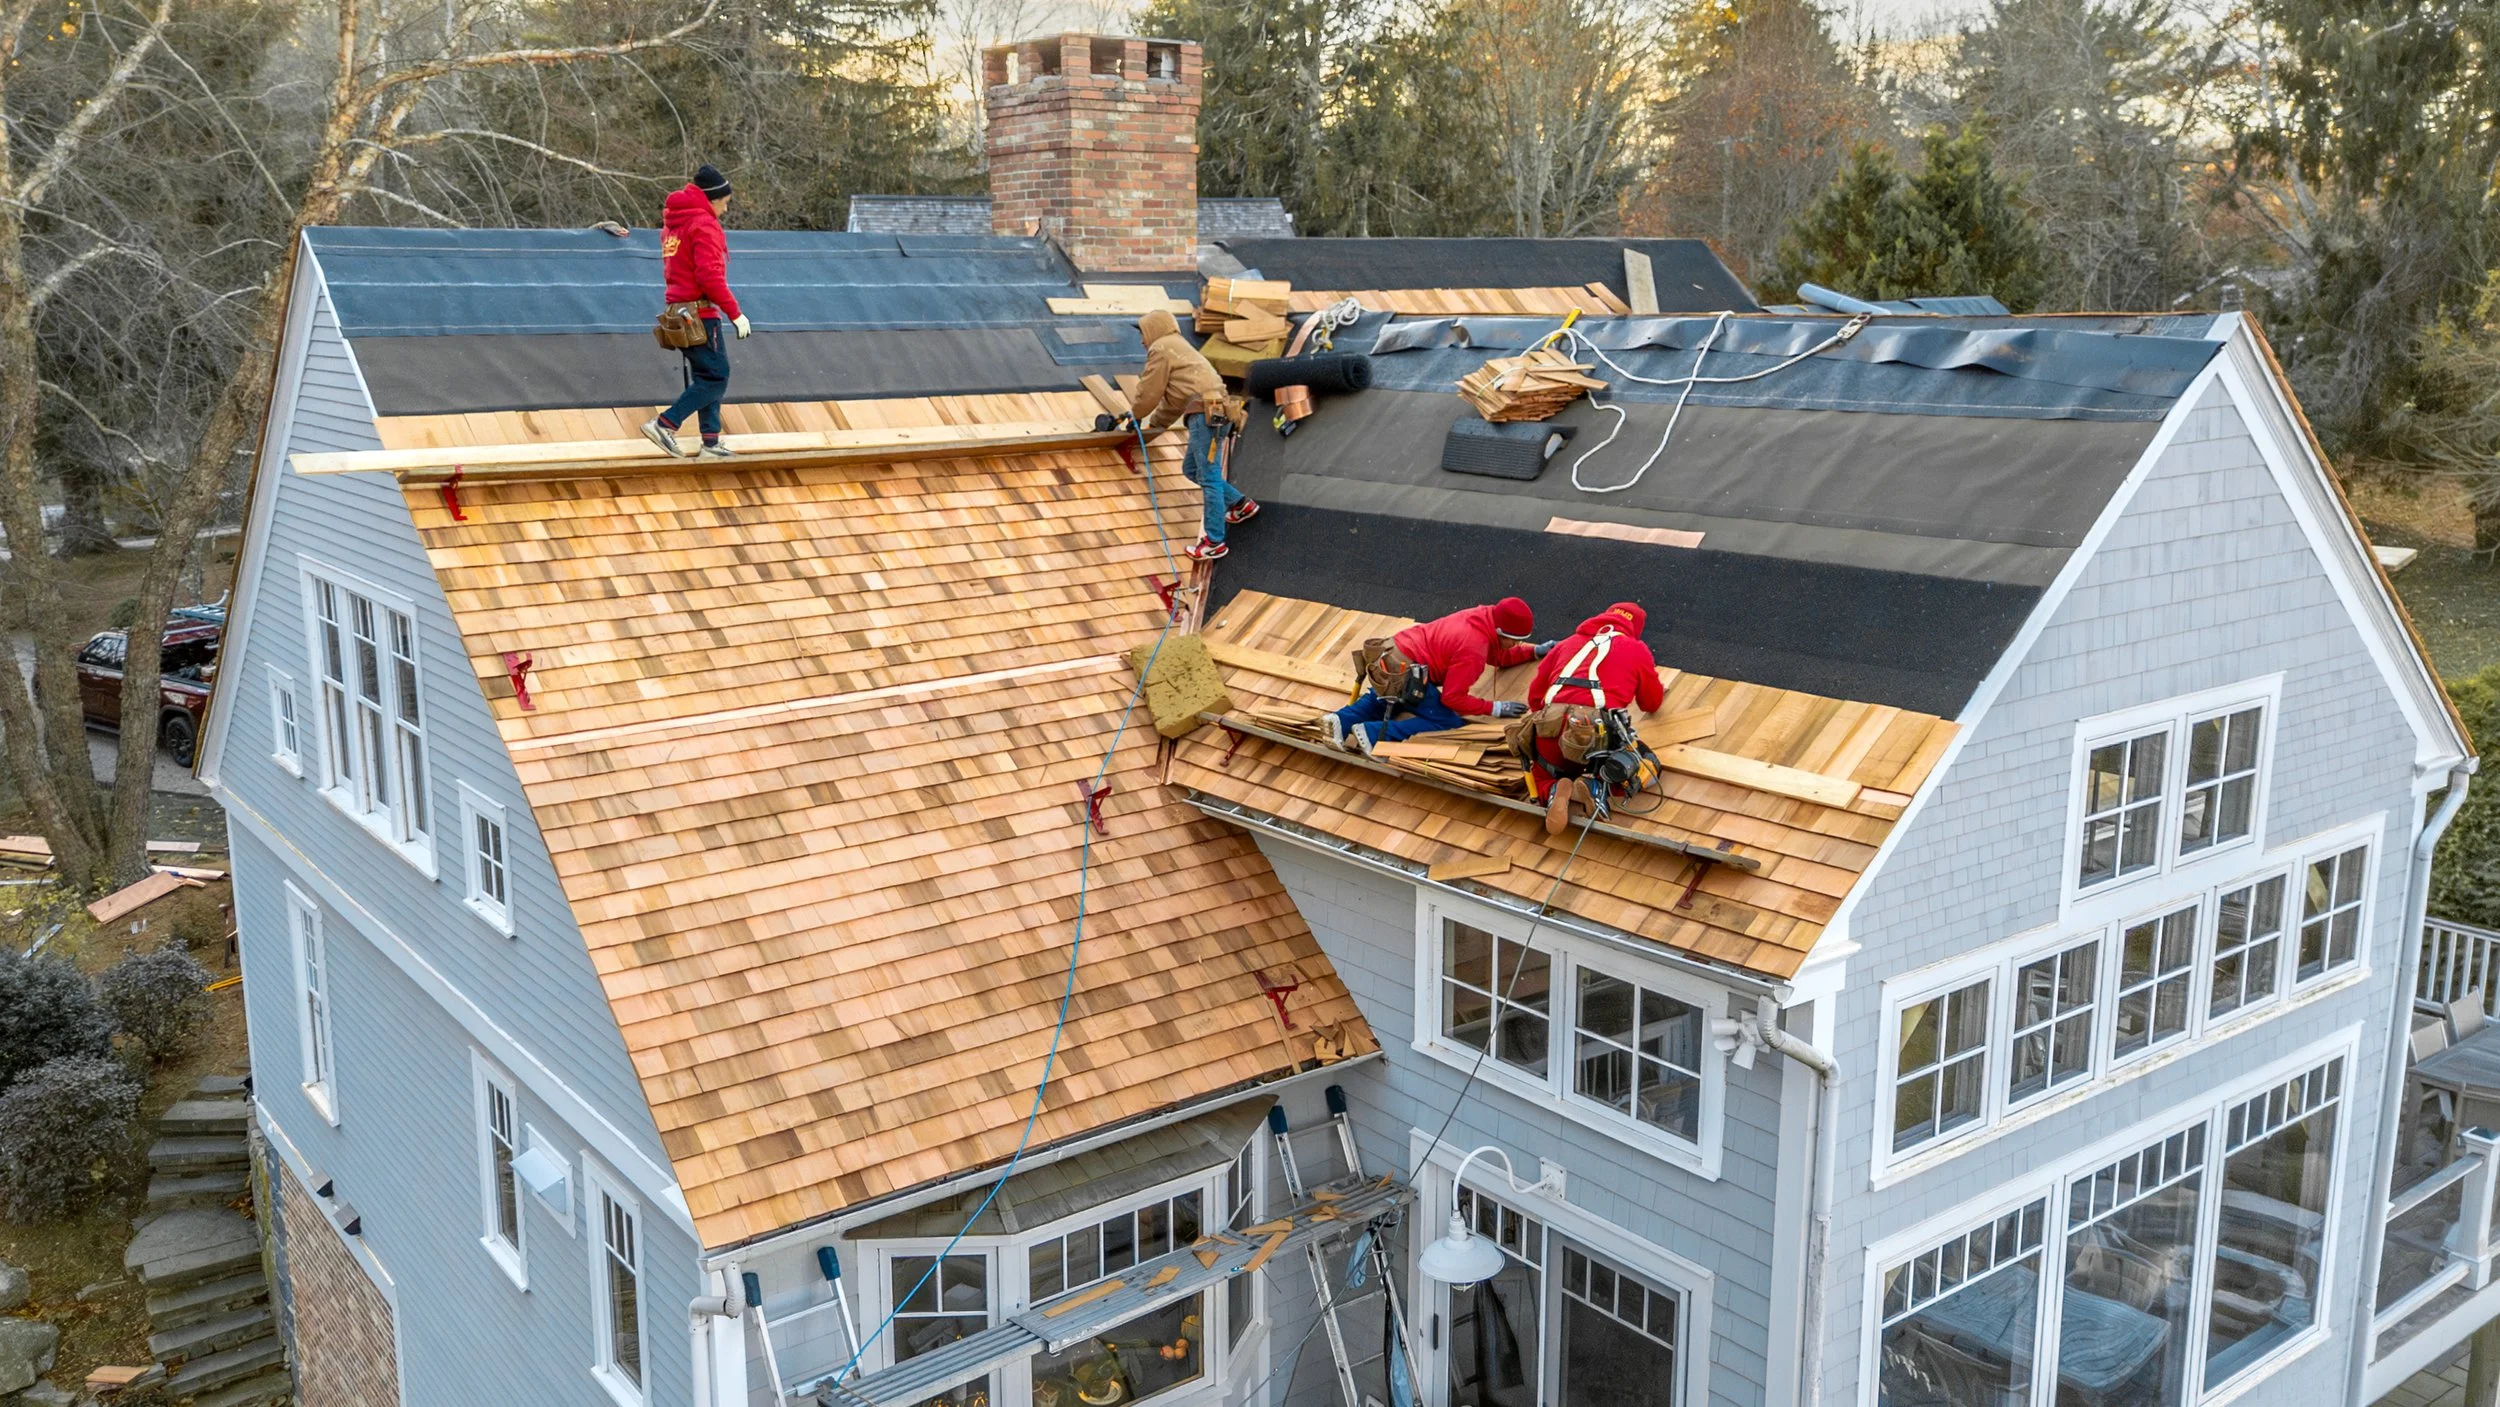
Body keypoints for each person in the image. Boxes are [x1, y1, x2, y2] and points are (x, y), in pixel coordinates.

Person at [1515, 602, 1667, 833]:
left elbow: (1535, 698)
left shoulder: (1566, 643)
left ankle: (1554, 789)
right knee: (1647, 764)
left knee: (1542, 772)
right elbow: (1651, 703)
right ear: (1634, 628)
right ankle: (1598, 786)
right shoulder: (1636, 649)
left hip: (1551, 728)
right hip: (1595, 736)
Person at [1322, 598, 1542, 753]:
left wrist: (1533, 652)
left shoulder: (1481, 618)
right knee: (1446, 720)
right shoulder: (1473, 649)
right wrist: (1495, 708)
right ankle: (1373, 734)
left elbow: (1498, 656)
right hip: (1408, 673)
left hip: (1388, 656)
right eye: (1515, 640)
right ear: (1500, 633)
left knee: (1386, 696)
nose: (1516, 645)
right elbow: (1452, 698)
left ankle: (1340, 721)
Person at [1124, 309, 1256, 560]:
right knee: (1192, 470)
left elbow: (1150, 390)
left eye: (1143, 334)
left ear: (1153, 330)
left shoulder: (1161, 348)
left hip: (1204, 416)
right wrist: (1155, 425)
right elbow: (1173, 402)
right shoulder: (1178, 347)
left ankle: (1215, 542)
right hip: (1218, 413)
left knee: (1208, 476)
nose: (1142, 341)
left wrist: (1135, 414)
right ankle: (1240, 505)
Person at [642, 165, 750, 461]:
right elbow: (709, 276)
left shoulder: (674, 224)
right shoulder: (703, 224)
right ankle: (665, 425)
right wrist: (736, 314)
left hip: (678, 313)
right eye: (724, 203)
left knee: (707, 376)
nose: (725, 210)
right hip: (700, 314)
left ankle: (711, 443)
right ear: (712, 199)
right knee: (716, 376)